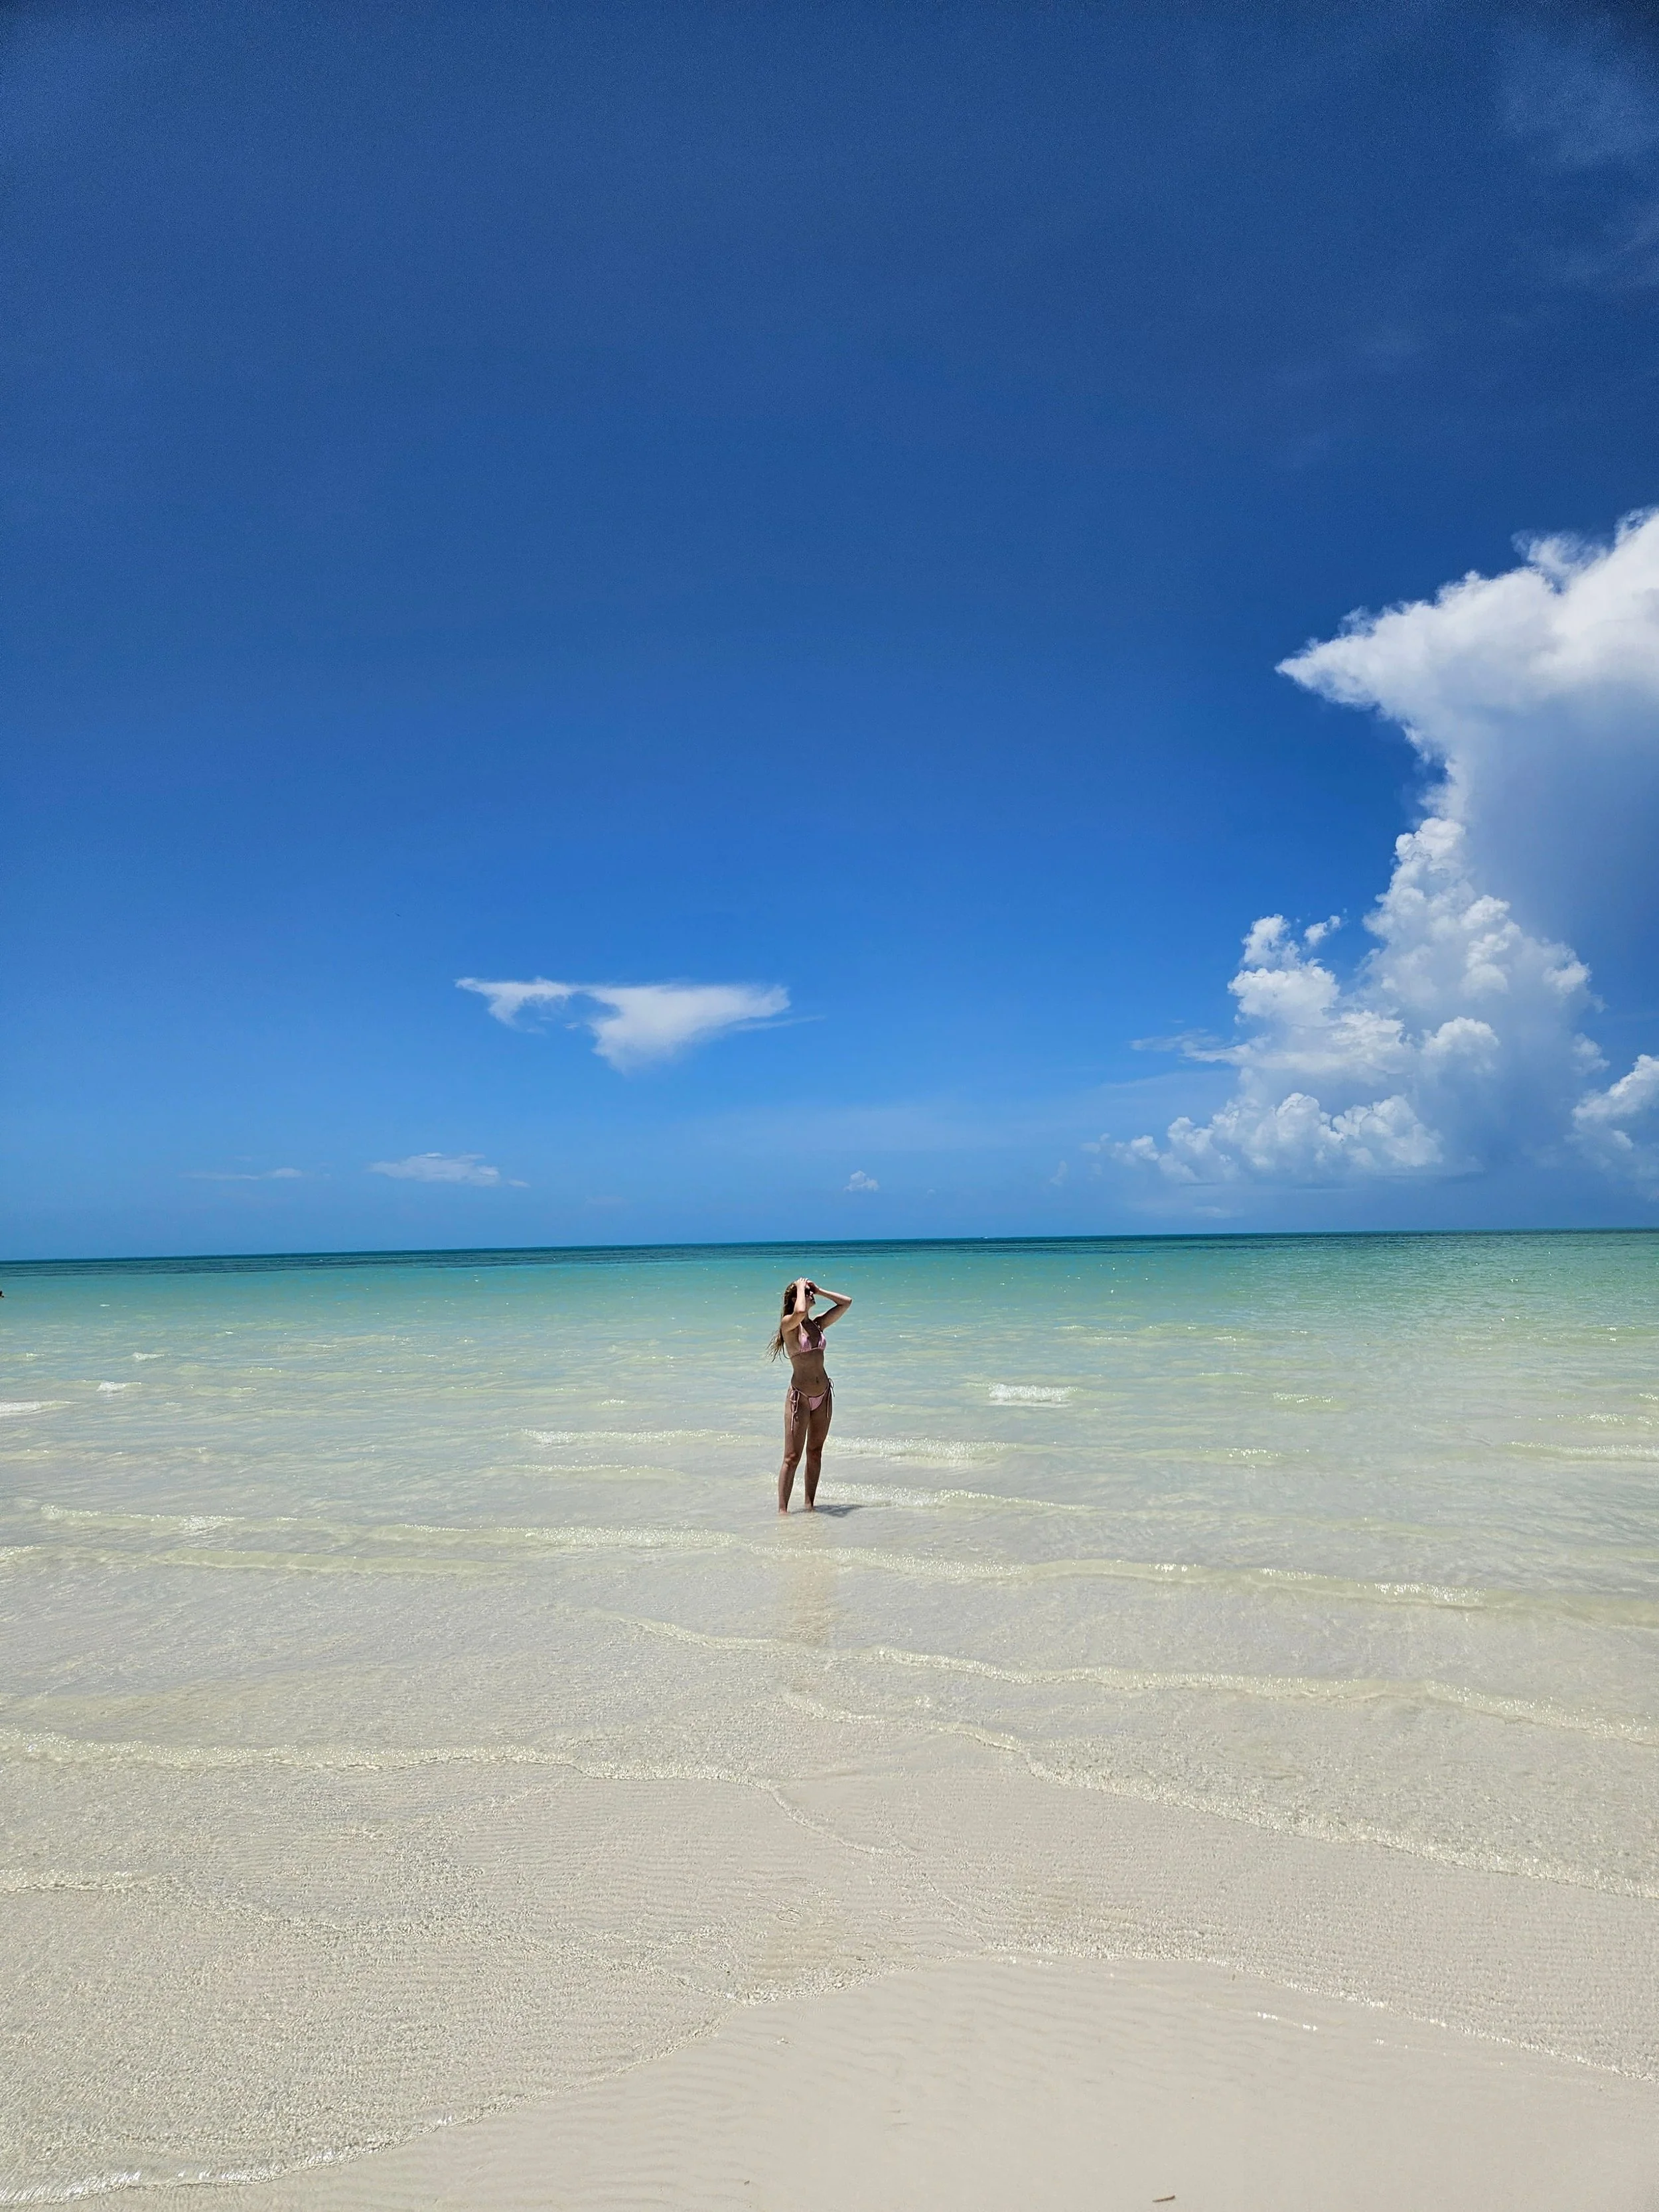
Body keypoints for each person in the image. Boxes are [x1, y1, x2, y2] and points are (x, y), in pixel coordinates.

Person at [770, 1276, 851, 1512]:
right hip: (800, 1398)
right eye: (807, 1294)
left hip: (824, 1395)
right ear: (796, 1299)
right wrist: (798, 1287)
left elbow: (846, 1303)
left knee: (815, 1453)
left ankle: (809, 1507)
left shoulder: (817, 1325)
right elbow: (798, 1314)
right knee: (792, 1457)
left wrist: (820, 1290)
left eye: (810, 1293)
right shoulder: (789, 1325)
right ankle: (783, 1512)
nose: (811, 1296)